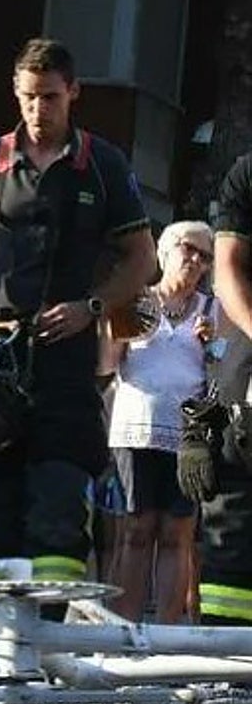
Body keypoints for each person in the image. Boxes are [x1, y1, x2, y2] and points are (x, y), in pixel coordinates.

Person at [0, 37, 156, 584]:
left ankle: (46, 646)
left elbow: (142, 258)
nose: (39, 110)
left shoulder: (103, 163)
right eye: (29, 97)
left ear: (74, 93)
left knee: (58, 511)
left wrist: (93, 307)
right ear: (16, 93)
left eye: (51, 98)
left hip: (65, 361)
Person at [101, 220, 214, 621]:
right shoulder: (137, 301)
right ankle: (124, 630)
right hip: (135, 429)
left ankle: (167, 636)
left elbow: (222, 370)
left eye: (205, 256)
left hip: (188, 435)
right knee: (135, 531)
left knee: (176, 534)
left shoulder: (211, 311)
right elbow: (107, 365)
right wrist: (112, 328)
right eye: (189, 249)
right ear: (164, 252)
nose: (196, 261)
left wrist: (212, 344)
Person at [178, 154, 252, 625]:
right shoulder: (246, 174)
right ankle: (226, 672)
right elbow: (227, 271)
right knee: (231, 539)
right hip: (242, 395)